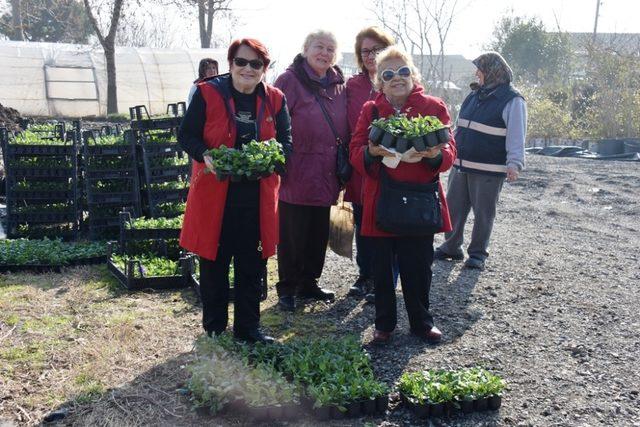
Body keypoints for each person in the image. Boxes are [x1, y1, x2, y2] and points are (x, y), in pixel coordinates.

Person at [178, 39, 292, 344]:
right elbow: (186, 135)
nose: (248, 69)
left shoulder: (276, 100)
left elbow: (287, 143)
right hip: (216, 196)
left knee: (251, 266)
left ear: (265, 69)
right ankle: (214, 328)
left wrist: (274, 160)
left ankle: (248, 330)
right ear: (230, 64)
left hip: (256, 200)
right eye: (241, 62)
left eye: (256, 64)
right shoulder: (207, 92)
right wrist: (206, 154)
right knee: (214, 263)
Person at [349, 46, 457, 345]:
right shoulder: (370, 111)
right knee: (381, 267)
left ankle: (422, 322)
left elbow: (449, 152)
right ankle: (384, 324)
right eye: (388, 74)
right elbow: (355, 150)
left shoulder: (434, 107)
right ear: (379, 82)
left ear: (414, 74)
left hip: (420, 198)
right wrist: (371, 152)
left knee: (419, 265)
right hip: (382, 197)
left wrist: (435, 155)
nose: (397, 78)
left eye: (403, 71)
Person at [273, 30, 349, 312]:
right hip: (298, 170)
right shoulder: (288, 80)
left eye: (331, 49)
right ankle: (288, 288)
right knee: (293, 233)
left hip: (327, 172)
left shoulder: (339, 84)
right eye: (319, 47)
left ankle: (309, 283)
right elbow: (275, 123)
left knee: (318, 232)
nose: (324, 53)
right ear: (305, 49)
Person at [434, 52, 527, 270]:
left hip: (488, 169)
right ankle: (451, 246)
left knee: (483, 213)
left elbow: (517, 134)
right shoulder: (475, 95)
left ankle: (477, 254)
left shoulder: (512, 100)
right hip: (461, 164)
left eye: (481, 69)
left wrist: (515, 163)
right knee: (454, 208)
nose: (477, 73)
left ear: (493, 72)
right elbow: (460, 127)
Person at [345, 27, 396, 301]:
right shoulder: (352, 86)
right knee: (363, 220)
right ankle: (365, 275)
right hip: (361, 165)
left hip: (393, 167)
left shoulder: (399, 80)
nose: (371, 55)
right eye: (365, 51)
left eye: (377, 49)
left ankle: (386, 278)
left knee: (390, 220)